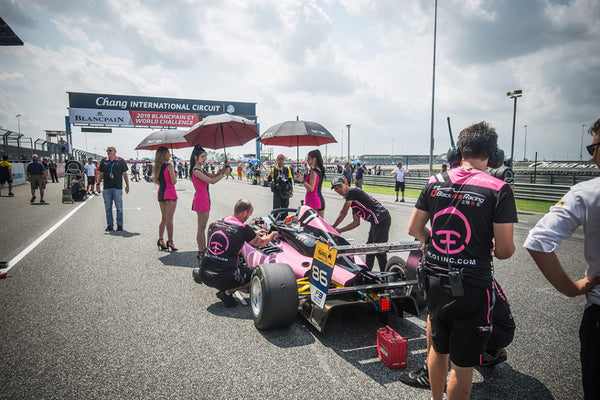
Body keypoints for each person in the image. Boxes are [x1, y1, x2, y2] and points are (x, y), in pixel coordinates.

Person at [407, 121, 517, 400]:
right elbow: (505, 250)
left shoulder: (435, 181)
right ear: (492, 154)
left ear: (460, 149)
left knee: (437, 349)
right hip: (471, 284)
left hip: (433, 275)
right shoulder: (499, 188)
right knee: (462, 364)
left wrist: (438, 246)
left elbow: (415, 230)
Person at [524, 119, 600, 400]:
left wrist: (573, 288)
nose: (591, 156)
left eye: (593, 147)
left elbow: (538, 240)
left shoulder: (589, 192)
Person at [400, 278, 516, 388]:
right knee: (466, 307)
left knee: (436, 311)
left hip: (484, 331)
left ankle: (429, 373)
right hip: (504, 331)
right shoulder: (480, 264)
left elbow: (436, 316)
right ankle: (489, 352)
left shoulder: (442, 268)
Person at [197, 199, 279, 307]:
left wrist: (253, 233)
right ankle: (227, 292)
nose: (248, 217)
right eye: (249, 214)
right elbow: (262, 243)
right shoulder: (243, 229)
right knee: (256, 273)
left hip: (204, 274)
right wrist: (272, 235)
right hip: (221, 279)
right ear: (244, 213)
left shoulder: (215, 223)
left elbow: (231, 233)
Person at [330, 176, 391, 271]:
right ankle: (368, 271)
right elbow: (356, 222)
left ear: (346, 184)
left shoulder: (352, 192)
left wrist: (333, 227)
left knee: (379, 250)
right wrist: (340, 230)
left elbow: (343, 213)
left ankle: (386, 275)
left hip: (380, 218)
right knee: (369, 247)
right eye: (335, 188)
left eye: (339, 187)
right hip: (377, 221)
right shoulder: (353, 202)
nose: (338, 190)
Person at [190, 145, 230, 259]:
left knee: (202, 227)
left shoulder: (201, 170)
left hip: (204, 199)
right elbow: (212, 181)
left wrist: (223, 167)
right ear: (195, 157)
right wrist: (224, 174)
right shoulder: (196, 171)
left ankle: (202, 250)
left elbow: (214, 175)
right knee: (201, 228)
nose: (204, 159)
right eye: (202, 156)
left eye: (205, 156)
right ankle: (201, 251)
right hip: (201, 200)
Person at [98, 146, 129, 232]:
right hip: (107, 188)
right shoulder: (104, 161)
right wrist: (98, 183)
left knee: (119, 208)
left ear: (115, 151)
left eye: (110, 150)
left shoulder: (120, 161)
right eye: (107, 150)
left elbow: (125, 174)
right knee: (108, 208)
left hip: (117, 187)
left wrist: (127, 185)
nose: (108, 152)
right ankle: (110, 225)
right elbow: (101, 173)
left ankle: (119, 225)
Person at [154, 147, 178, 251]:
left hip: (161, 193)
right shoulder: (169, 166)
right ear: (165, 154)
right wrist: (175, 175)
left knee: (163, 218)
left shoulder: (157, 167)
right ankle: (170, 241)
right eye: (168, 153)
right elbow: (173, 182)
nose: (169, 154)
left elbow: (158, 181)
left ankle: (161, 240)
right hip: (170, 194)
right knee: (170, 219)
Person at [295, 149, 326, 218]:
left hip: (313, 201)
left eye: (309, 159)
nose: (307, 161)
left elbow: (311, 189)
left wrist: (302, 180)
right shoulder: (320, 171)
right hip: (320, 200)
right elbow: (319, 188)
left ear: (314, 159)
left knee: (310, 226)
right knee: (320, 227)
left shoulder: (313, 172)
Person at [268, 154, 294, 220]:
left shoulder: (287, 168)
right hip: (277, 191)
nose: (280, 160)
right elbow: (269, 180)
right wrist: (270, 174)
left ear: (284, 160)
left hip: (285, 191)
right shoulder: (274, 169)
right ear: (277, 160)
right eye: (279, 159)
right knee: (276, 209)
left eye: (282, 159)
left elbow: (290, 180)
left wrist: (291, 191)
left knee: (285, 209)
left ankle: (284, 221)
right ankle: (275, 222)